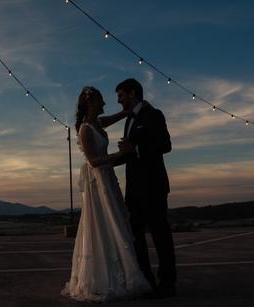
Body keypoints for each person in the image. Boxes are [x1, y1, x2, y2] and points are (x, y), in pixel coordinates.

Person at [61, 86, 151, 302]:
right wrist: (122, 153)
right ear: (91, 104)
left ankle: (118, 272)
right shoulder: (85, 129)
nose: (104, 105)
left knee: (116, 222)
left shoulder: (97, 123)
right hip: (98, 181)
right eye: (101, 101)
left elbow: (111, 118)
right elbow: (93, 161)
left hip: (108, 179)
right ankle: (102, 278)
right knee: (102, 222)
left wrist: (129, 111)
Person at [115, 78, 177, 298]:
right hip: (133, 190)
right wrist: (104, 163)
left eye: (121, 95)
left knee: (160, 234)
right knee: (135, 235)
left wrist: (136, 147)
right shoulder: (129, 120)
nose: (118, 100)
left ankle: (168, 282)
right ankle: (146, 280)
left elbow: (165, 145)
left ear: (132, 94)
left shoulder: (154, 114)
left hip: (153, 186)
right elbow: (130, 153)